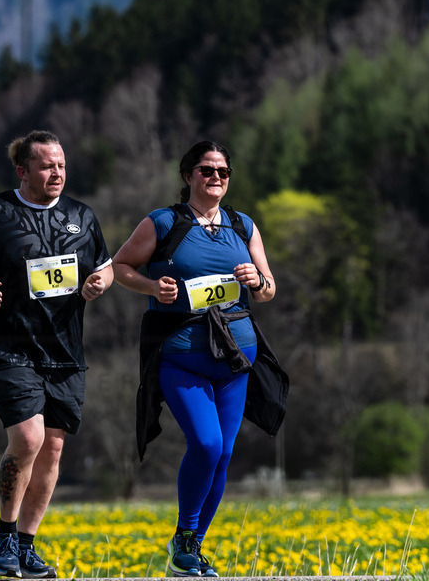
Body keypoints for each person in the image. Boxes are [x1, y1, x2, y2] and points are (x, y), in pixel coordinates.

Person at [0, 130, 113, 579]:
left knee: (52, 450)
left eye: (61, 165)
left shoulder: (82, 216)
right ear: (23, 171)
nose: (57, 173)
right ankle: (5, 536)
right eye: (46, 166)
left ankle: (27, 545)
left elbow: (105, 267)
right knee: (29, 439)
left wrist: (99, 283)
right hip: (7, 347)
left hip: (65, 350)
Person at [111, 141, 288, 578]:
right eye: (207, 170)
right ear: (188, 174)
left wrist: (258, 278)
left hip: (234, 358)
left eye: (223, 171)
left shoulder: (243, 225)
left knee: (224, 454)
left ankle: (189, 548)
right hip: (180, 354)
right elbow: (120, 267)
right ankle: (185, 536)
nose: (216, 178)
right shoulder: (163, 222)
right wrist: (154, 289)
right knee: (206, 445)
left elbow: (268, 289)